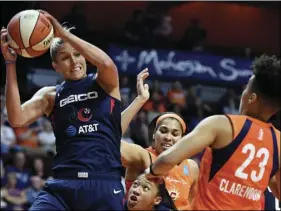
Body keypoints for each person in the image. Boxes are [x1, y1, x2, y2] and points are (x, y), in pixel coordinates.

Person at [1, 10, 124, 210]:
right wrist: (10, 64)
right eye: (65, 58)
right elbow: (16, 118)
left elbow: (107, 63)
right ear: (55, 66)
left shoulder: (104, 83)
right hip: (61, 187)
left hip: (103, 182)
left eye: (77, 55)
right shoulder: (50, 95)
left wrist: (63, 34)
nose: (75, 61)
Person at [146, 55, 281, 210]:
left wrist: (148, 173)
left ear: (251, 98)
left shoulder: (222, 124)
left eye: (245, 90)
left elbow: (167, 160)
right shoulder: (279, 141)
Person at [120, 69, 199, 210]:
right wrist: (140, 100)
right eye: (163, 131)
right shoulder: (142, 156)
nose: (168, 137)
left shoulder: (191, 168)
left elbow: (193, 205)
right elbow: (108, 138)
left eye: (175, 133)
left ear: (182, 139)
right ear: (153, 135)